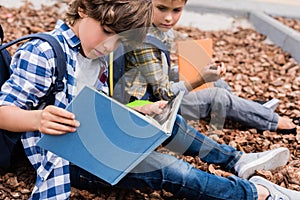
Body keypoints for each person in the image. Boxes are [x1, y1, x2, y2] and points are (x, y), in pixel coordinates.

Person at [0, 0, 299, 199]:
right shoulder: (43, 53)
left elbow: (98, 103)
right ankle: (256, 193)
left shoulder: (97, 54)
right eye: (106, 32)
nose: (110, 45)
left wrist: (141, 109)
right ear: (82, 9)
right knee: (172, 171)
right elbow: (3, 111)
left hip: (96, 137)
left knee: (170, 121)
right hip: (68, 157)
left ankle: (236, 160)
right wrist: (38, 118)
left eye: (122, 40)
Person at [116, 0, 298, 134]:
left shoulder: (158, 27)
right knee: (216, 95)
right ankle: (271, 121)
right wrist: (200, 79)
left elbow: (159, 70)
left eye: (177, 10)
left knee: (219, 84)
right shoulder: (143, 42)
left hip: (156, 86)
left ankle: (245, 108)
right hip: (150, 105)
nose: (169, 17)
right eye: (161, 8)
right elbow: (164, 94)